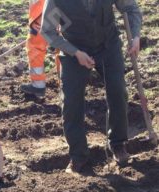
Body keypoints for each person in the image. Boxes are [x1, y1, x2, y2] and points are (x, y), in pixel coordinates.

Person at [40, 0, 142, 173]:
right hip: (74, 49)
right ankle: (78, 156)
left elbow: (131, 8)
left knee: (118, 92)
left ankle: (118, 144)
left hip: (108, 45)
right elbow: (48, 31)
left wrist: (135, 36)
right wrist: (75, 52)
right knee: (71, 102)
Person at [20, 0, 49, 97]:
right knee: (64, 48)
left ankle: (38, 86)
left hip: (45, 14)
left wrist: (38, 18)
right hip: (63, 12)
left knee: (35, 47)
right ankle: (67, 83)